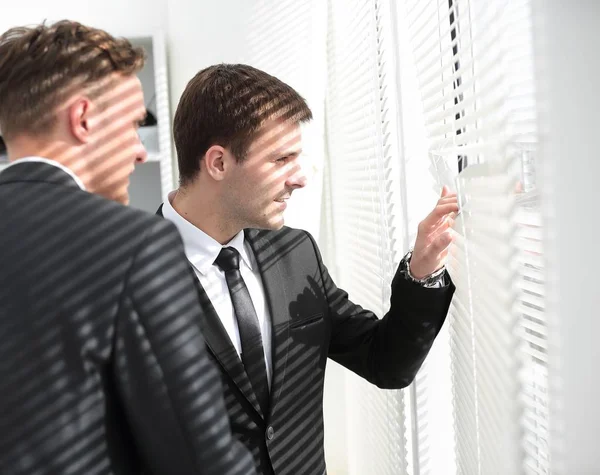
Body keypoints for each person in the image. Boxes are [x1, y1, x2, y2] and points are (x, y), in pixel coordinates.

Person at [158, 63, 458, 475]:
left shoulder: (295, 253)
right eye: (281, 159)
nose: (299, 179)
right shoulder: (120, 273)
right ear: (218, 163)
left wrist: (422, 272)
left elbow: (386, 362)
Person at [0, 21, 255, 475]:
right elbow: (198, 457)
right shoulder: (133, 244)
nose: (140, 150)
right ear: (83, 120)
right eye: (135, 124)